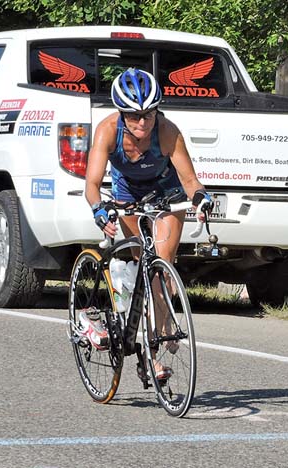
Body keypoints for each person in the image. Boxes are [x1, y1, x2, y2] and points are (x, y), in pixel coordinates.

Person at [83, 68, 211, 379]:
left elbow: (190, 180)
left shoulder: (167, 132)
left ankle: (151, 353)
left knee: (161, 265)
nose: (143, 122)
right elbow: (92, 183)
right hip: (128, 194)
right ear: (122, 113)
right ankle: (132, 314)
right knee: (143, 262)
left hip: (167, 192)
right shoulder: (106, 131)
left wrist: (201, 199)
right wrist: (99, 209)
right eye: (135, 116)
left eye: (149, 114)